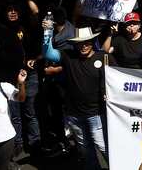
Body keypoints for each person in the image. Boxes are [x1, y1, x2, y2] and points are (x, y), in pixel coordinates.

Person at [41, 26, 105, 170]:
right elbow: (47, 53)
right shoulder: (68, 55)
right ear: (75, 44)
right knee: (85, 149)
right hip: (75, 114)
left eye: (87, 42)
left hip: (96, 114)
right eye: (80, 43)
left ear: (92, 42)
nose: (83, 46)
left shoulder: (104, 57)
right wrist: (47, 32)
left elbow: (117, 79)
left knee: (103, 147)